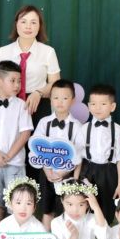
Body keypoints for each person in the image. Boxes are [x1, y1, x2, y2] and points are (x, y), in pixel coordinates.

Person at [0, 60, 33, 229]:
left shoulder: (22, 105)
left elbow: (25, 133)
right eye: (13, 81)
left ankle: (15, 237)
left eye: (19, 81)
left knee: (16, 202)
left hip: (14, 163)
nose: (17, 85)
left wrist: (8, 155)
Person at [0, 5, 61, 123]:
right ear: (16, 24)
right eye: (23, 21)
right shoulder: (3, 51)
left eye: (33, 22)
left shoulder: (48, 51)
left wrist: (39, 93)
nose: (28, 26)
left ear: (39, 26)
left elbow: (55, 83)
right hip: (8, 102)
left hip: (38, 103)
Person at [30, 79, 82, 230]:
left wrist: (64, 174)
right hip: (47, 175)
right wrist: (48, 171)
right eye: (56, 98)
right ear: (50, 99)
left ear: (73, 100)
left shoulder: (77, 127)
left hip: (67, 176)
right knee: (47, 211)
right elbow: (37, 149)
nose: (60, 102)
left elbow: (79, 156)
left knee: (66, 211)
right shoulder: (43, 123)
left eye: (65, 98)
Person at [73, 84, 120, 231]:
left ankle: (103, 238)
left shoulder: (118, 130)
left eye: (103, 104)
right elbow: (78, 157)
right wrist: (75, 180)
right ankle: (86, 237)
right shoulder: (84, 129)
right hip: (88, 170)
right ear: (89, 106)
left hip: (109, 172)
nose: (98, 108)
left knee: (107, 206)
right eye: (93, 104)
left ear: (112, 107)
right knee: (86, 204)